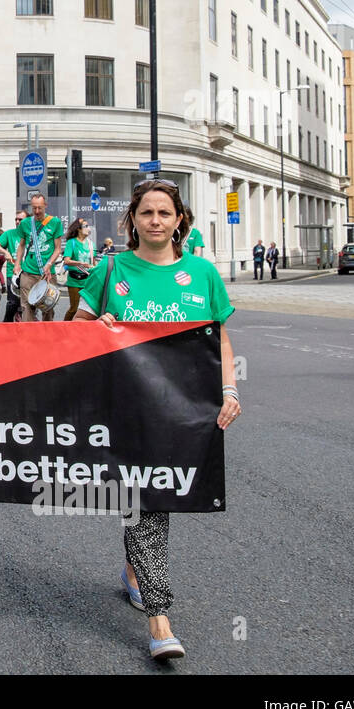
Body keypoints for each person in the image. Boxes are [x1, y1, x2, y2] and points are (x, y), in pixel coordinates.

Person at [74, 178, 240, 661]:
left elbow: (220, 341)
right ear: (133, 220)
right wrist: (96, 327)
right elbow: (74, 331)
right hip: (124, 408)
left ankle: (133, 572)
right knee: (146, 503)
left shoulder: (203, 274)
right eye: (146, 213)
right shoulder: (109, 271)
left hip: (185, 411)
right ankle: (159, 620)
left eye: (164, 214)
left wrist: (229, 388)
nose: (155, 221)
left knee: (155, 500)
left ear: (179, 221)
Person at [12, 194, 63, 322]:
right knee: (27, 307)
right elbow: (22, 245)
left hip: (47, 274)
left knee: (48, 308)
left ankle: (47, 337)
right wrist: (17, 264)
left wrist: (50, 263)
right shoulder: (25, 223)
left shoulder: (55, 222)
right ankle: (29, 337)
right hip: (28, 273)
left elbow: (58, 248)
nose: (37, 211)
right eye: (34, 208)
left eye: (40, 208)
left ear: (45, 205)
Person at [0, 209, 28, 322]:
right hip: (12, 273)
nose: (17, 221)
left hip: (29, 273)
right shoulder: (9, 233)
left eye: (20, 219)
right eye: (16, 219)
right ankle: (6, 325)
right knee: (12, 303)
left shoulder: (32, 234)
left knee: (28, 304)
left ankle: (25, 327)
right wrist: (6, 252)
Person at [60, 218, 97, 322]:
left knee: (87, 310)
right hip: (74, 280)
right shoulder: (72, 242)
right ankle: (64, 328)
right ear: (79, 229)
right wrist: (80, 263)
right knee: (74, 308)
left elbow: (93, 262)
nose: (88, 228)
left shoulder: (91, 244)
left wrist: (96, 267)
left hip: (87, 281)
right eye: (85, 226)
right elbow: (66, 260)